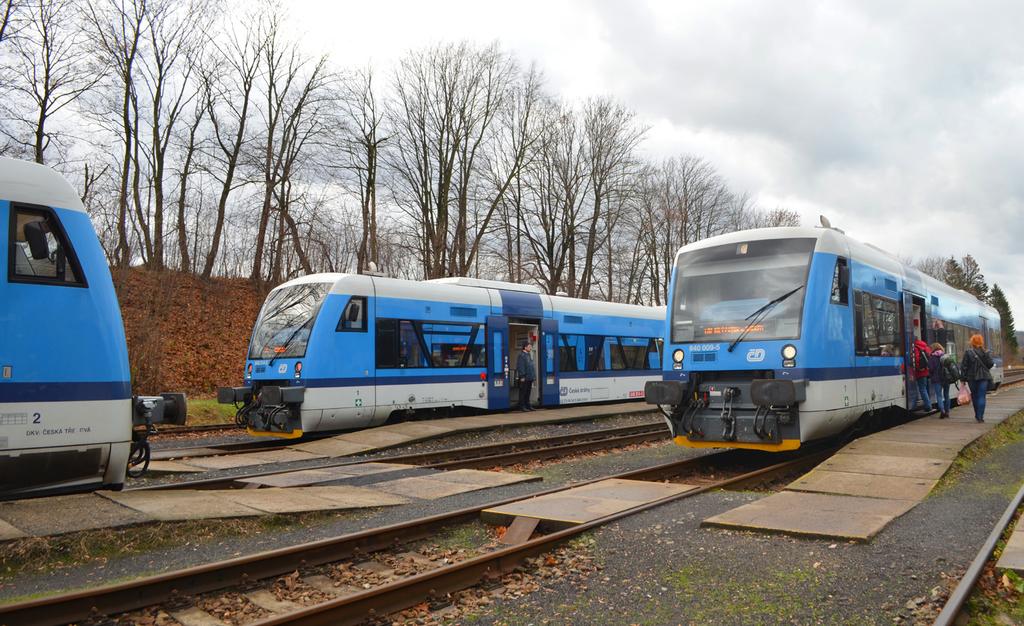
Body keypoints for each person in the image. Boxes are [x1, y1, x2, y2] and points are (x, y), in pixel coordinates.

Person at [960, 333, 995, 422]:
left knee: (975, 396)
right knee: (981, 396)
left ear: (972, 342)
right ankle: (980, 417)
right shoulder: (986, 352)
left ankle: (977, 415)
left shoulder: (968, 352)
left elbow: (964, 366)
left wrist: (963, 379)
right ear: (981, 342)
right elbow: (990, 364)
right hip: (983, 377)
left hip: (972, 378)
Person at [929, 342, 950, 418]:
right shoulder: (945, 356)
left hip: (937, 379)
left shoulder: (932, 357)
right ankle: (947, 412)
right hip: (946, 378)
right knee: (946, 395)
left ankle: (942, 411)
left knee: (939, 396)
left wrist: (931, 374)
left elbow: (931, 369)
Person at [911, 338, 932, 411]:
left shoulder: (915, 347)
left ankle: (928, 406)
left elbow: (916, 359)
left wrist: (918, 368)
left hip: (920, 371)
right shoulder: (925, 346)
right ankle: (928, 404)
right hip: (926, 371)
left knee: (922, 389)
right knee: (924, 388)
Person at [515, 341, 536, 411]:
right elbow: (520, 366)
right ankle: (522, 406)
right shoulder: (521, 355)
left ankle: (528, 405)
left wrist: (533, 376)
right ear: (525, 347)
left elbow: (531, 366)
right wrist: (522, 376)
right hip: (524, 378)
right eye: (529, 347)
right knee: (523, 392)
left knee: (528, 392)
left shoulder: (528, 355)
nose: (531, 348)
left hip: (529, 377)